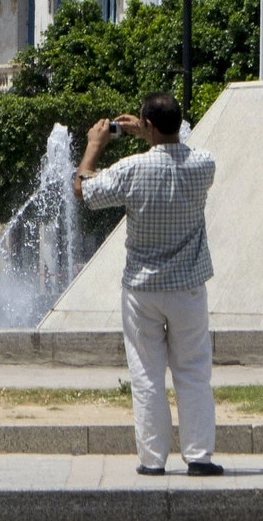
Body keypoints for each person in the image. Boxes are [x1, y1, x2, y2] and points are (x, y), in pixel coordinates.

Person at [74, 92, 224, 478]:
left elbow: (84, 190)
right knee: (193, 371)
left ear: (149, 125)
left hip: (142, 288)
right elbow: (180, 151)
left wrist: (94, 145)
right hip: (188, 286)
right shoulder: (203, 165)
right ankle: (199, 456)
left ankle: (153, 459)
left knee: (146, 375)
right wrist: (153, 133)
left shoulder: (131, 169)